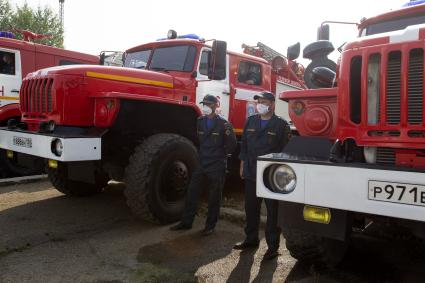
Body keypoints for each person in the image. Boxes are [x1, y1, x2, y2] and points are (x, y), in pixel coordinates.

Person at [233, 91, 290, 261]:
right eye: (258, 102)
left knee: (273, 211)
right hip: (251, 172)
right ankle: (251, 239)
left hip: (271, 176)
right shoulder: (251, 121)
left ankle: (273, 247)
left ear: (272, 104)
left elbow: (285, 152)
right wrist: (242, 165)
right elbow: (244, 146)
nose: (260, 105)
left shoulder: (281, 125)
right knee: (251, 208)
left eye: (264, 102)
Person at [171, 94, 237, 236]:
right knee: (192, 192)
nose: (206, 106)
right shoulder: (200, 121)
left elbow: (232, 145)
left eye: (209, 104)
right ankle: (186, 222)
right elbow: (199, 139)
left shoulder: (224, 124)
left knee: (214, 196)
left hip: (216, 164)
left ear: (216, 106)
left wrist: (220, 157)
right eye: (204, 104)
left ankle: (210, 225)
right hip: (202, 162)